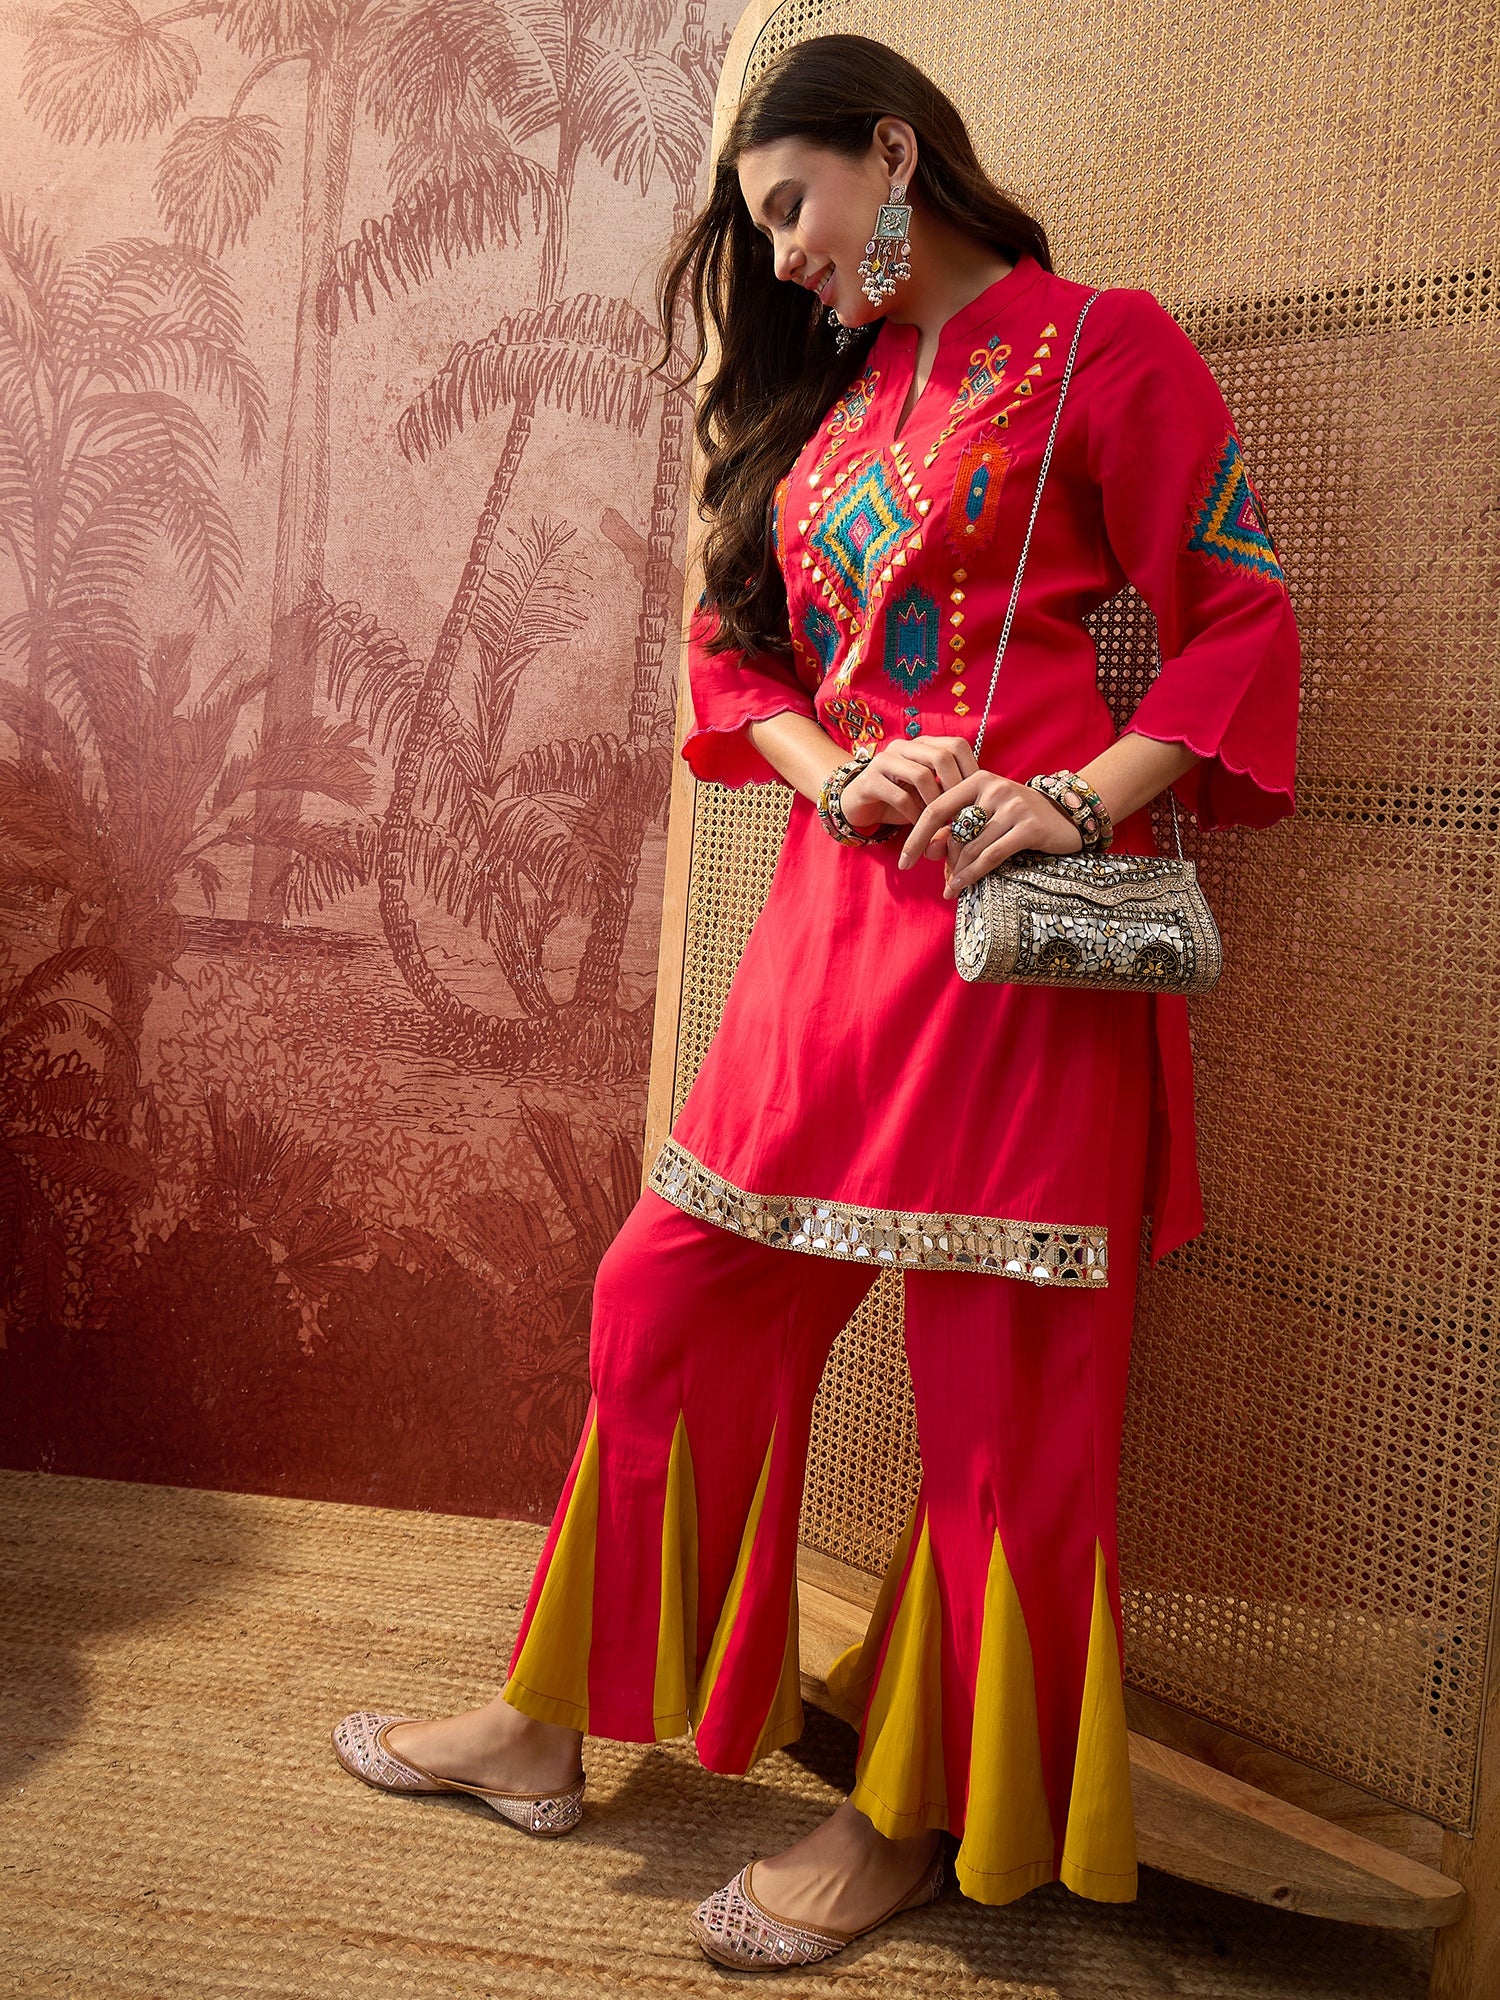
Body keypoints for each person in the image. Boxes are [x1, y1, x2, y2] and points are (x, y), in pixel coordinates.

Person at [332, 33, 1300, 1972]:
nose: (780, 256)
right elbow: (733, 655)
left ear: (893, 152)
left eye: (792, 205)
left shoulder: (1104, 349)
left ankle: (909, 1820)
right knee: (661, 1290)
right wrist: (834, 768)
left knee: (1000, 1402)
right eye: (761, 227)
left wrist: (1066, 798)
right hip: (829, 933)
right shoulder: (837, 407)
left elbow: (1244, 620)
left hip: (1016, 953)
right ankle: (550, 1717)